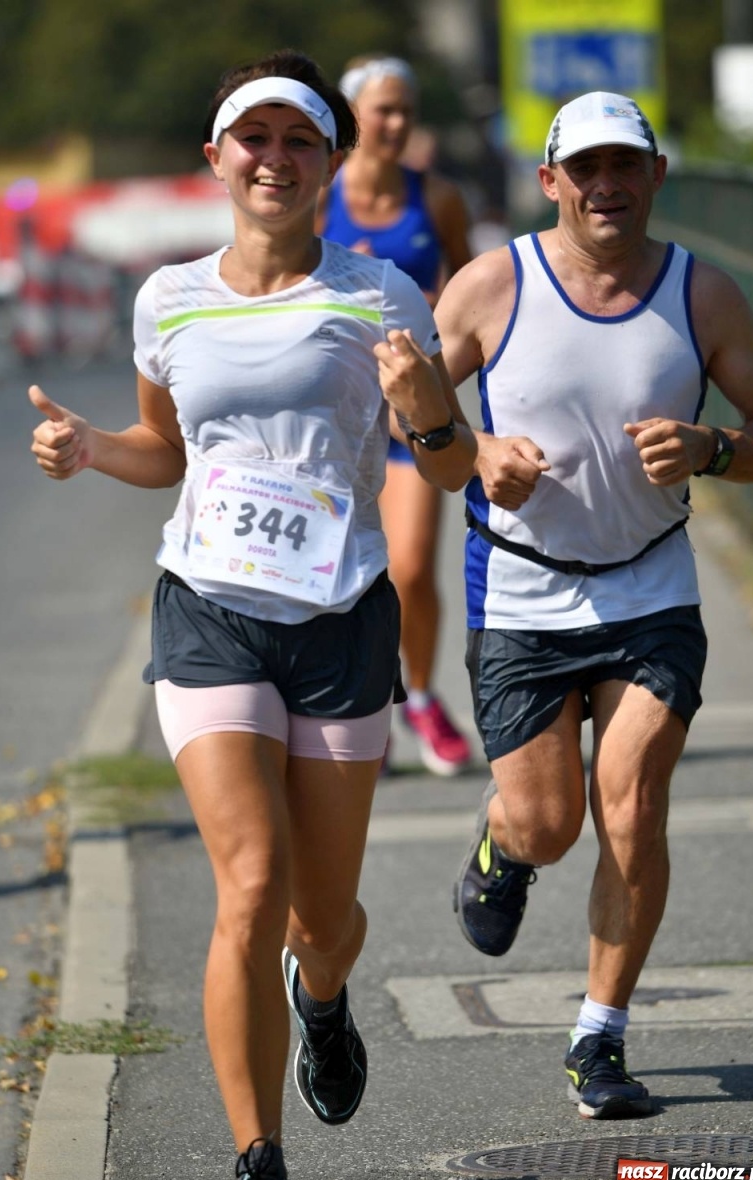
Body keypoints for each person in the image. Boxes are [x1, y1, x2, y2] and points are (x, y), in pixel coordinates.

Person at [29, 50, 476, 1180]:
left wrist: (427, 412)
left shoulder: (380, 292)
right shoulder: (168, 296)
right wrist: (89, 450)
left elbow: (451, 465)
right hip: (209, 614)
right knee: (251, 885)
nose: (273, 160)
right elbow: (163, 452)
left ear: (330, 161)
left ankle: (319, 998)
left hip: (338, 618)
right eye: (253, 139)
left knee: (320, 917)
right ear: (216, 158)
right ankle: (257, 1161)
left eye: (297, 141)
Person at [435, 90, 753, 1120]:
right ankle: (503, 847)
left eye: (622, 166)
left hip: (649, 586)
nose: (604, 186)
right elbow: (398, 422)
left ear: (654, 177)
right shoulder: (490, 288)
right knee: (549, 823)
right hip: (521, 589)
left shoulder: (703, 295)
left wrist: (714, 449)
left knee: (629, 803)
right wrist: (472, 452)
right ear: (548, 183)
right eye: (581, 168)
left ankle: (598, 1036)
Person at [318, 54, 474, 777]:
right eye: (383, 109)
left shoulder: (437, 199)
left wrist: (434, 379)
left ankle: (419, 694)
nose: (397, 122)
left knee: (410, 568)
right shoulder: (319, 200)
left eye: (406, 110)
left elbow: (468, 297)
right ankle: (364, 707)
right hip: (334, 419)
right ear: (351, 118)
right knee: (342, 570)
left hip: (412, 414)